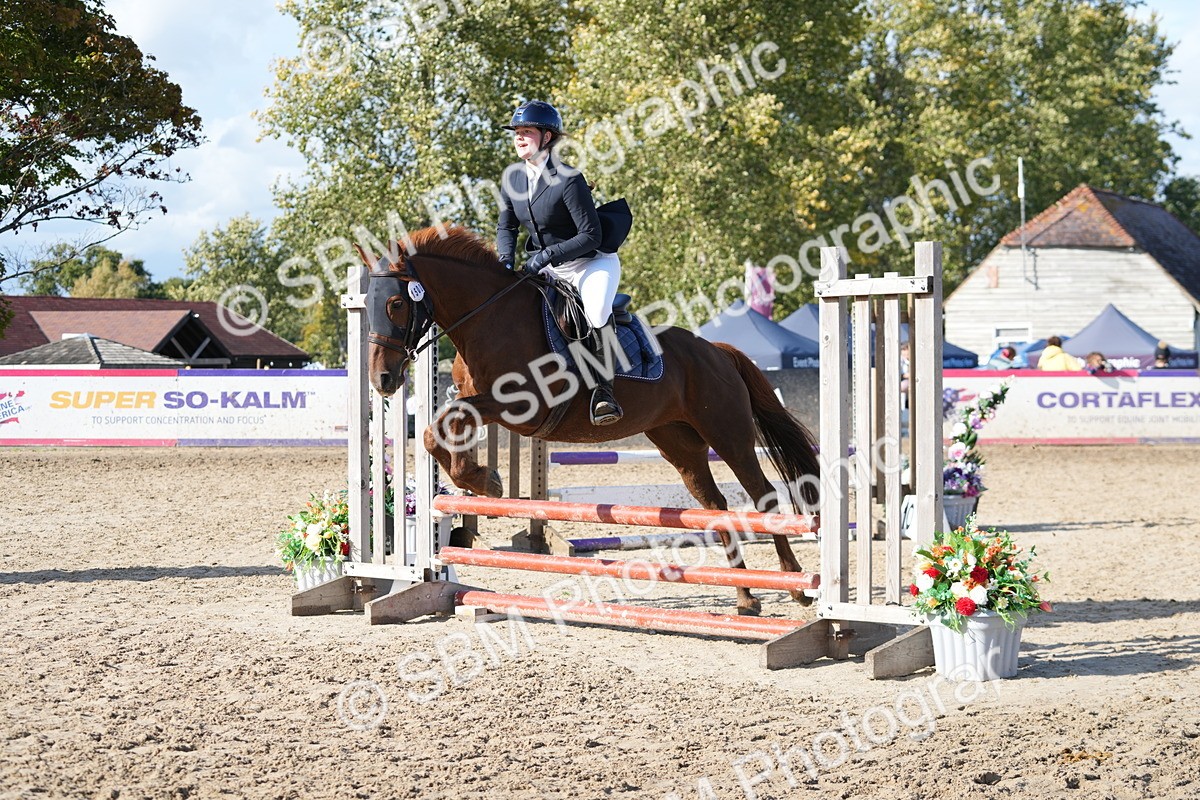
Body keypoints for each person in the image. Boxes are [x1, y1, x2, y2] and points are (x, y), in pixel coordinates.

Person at [496, 100, 623, 426]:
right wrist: (505, 260)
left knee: (596, 310)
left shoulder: (568, 179)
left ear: (547, 137)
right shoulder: (512, 179)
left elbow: (590, 235)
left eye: (527, 132)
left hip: (589, 264)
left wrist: (545, 256)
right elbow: (506, 227)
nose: (519, 137)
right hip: (547, 266)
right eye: (517, 132)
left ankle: (604, 392)